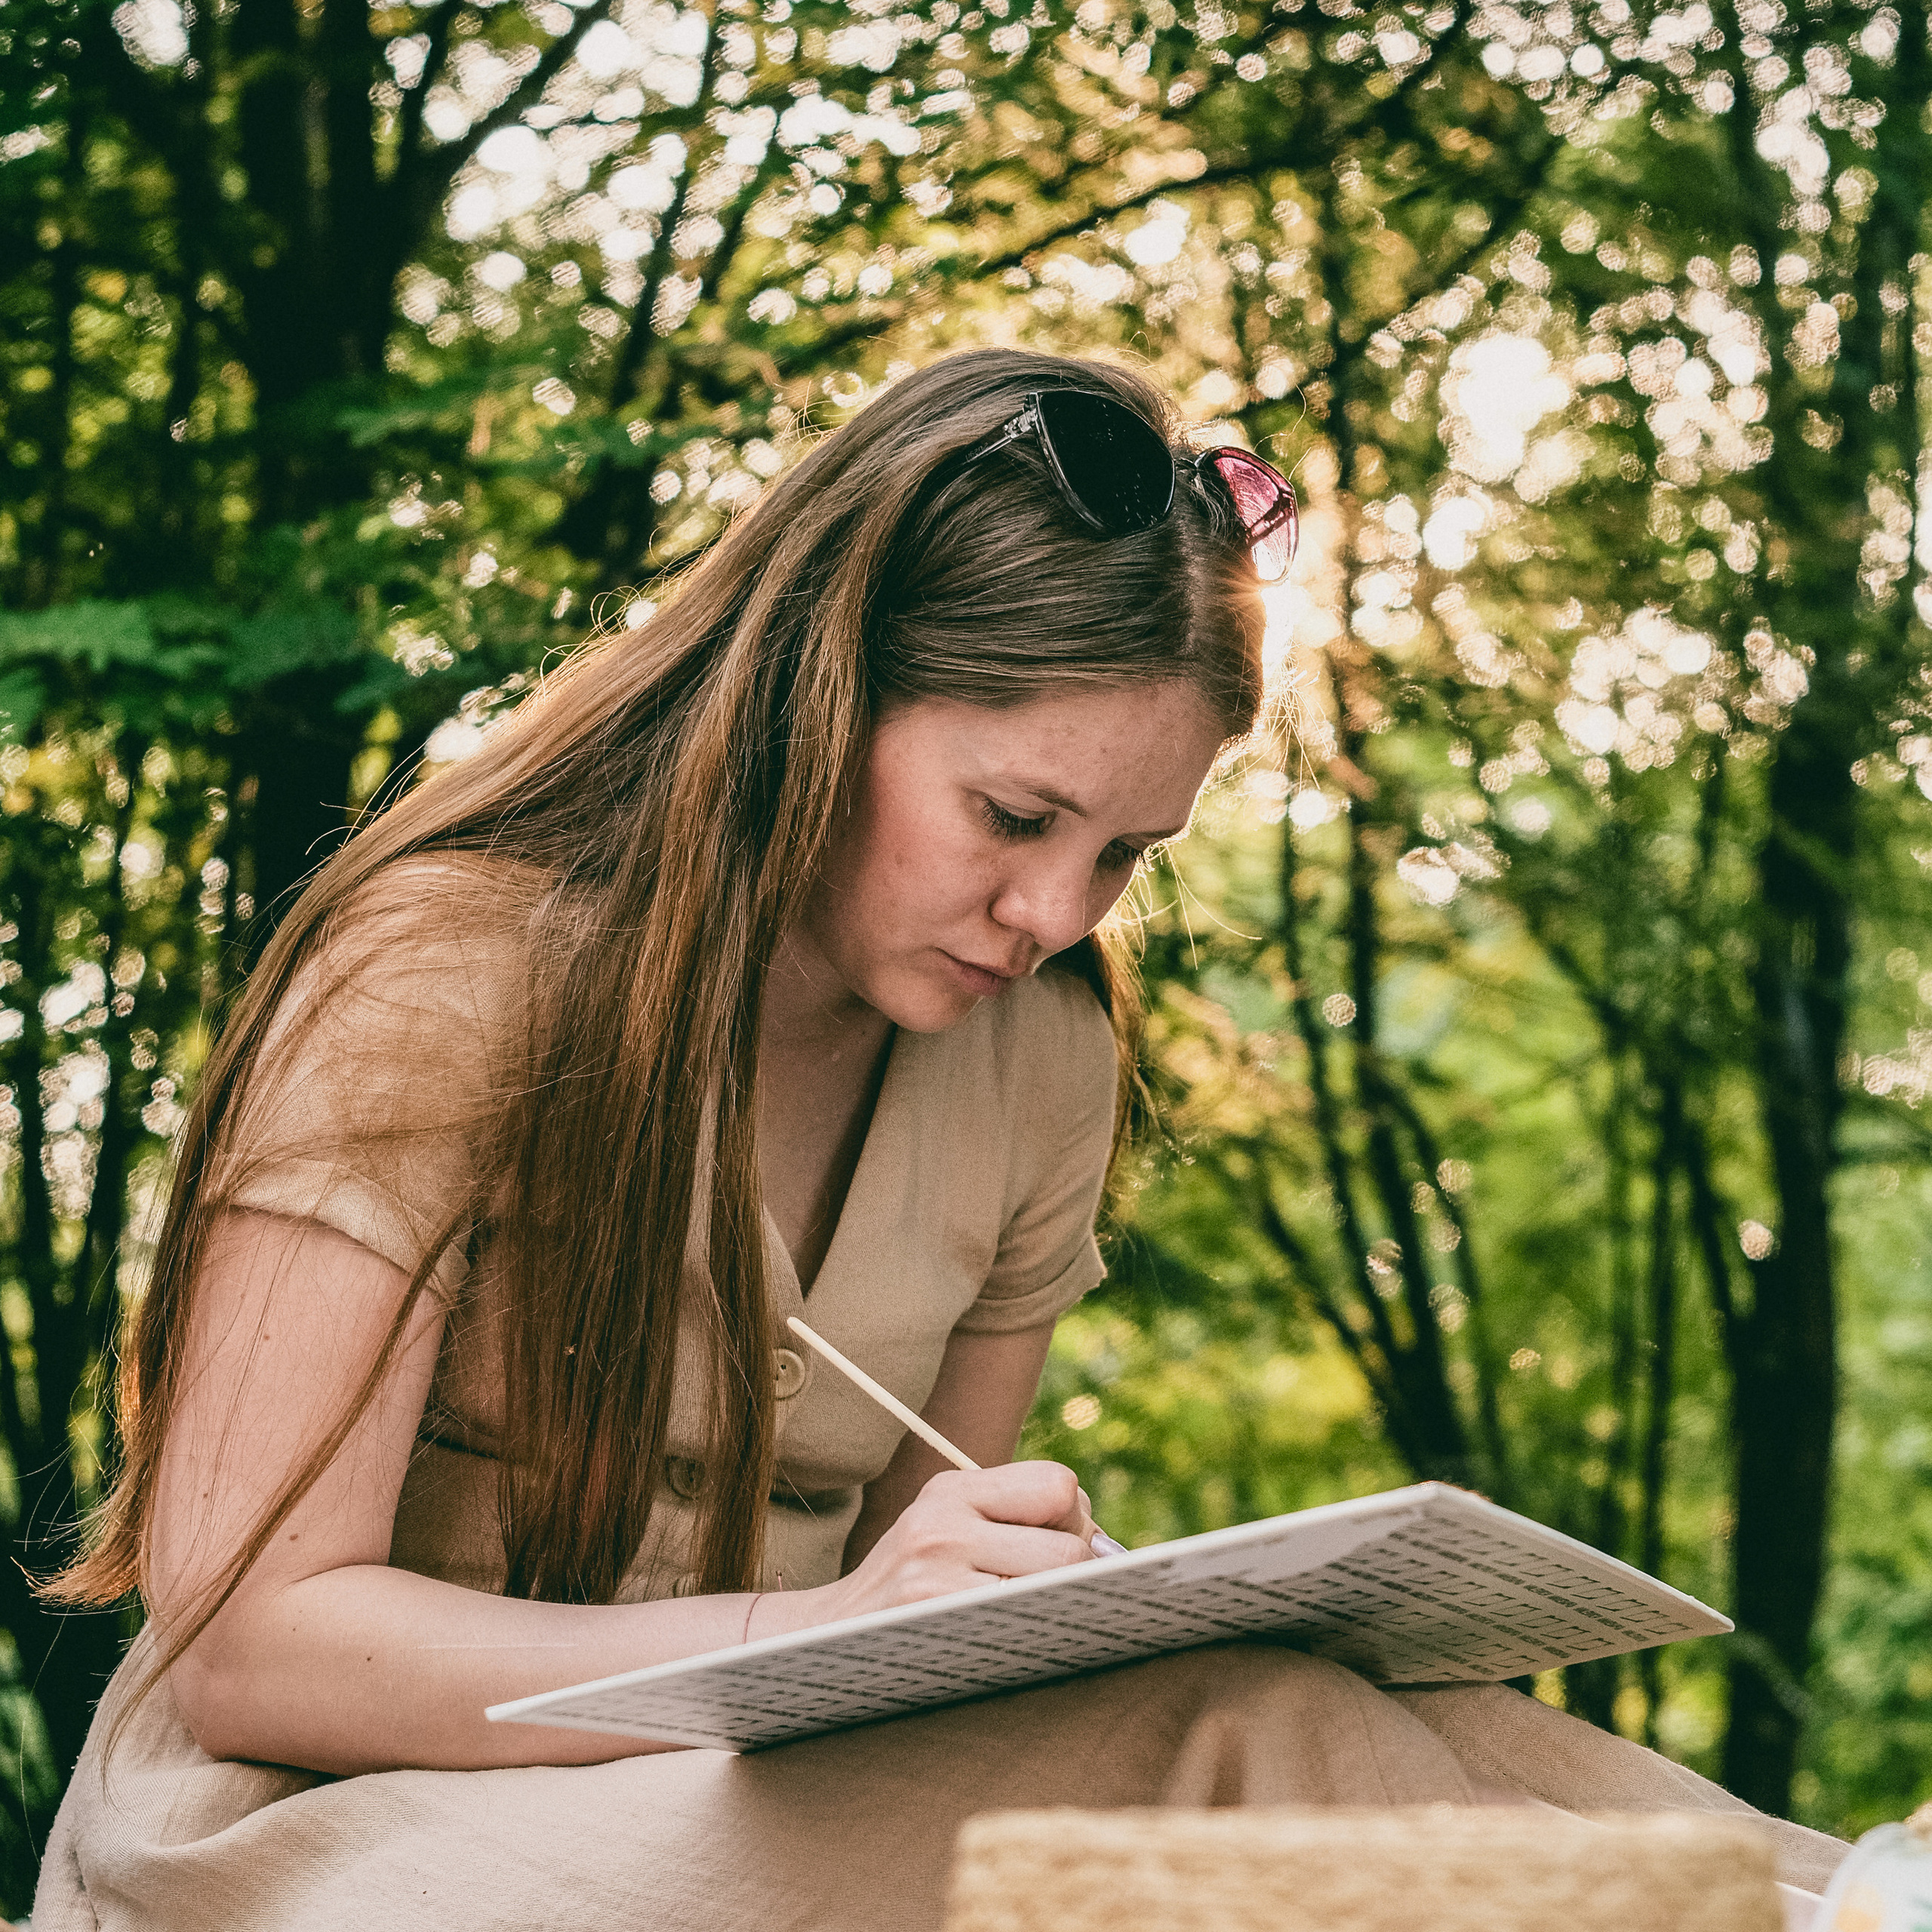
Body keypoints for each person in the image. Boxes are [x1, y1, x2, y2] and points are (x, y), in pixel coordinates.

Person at [35, 350, 1841, 1930]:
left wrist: (1011, 1600)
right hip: (316, 1834)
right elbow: (253, 1643)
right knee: (1218, 1731)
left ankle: (1841, 1897)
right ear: (821, 691)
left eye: (1124, 852)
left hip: (736, 1803)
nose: (1053, 910)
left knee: (1345, 1696)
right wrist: (808, 1628)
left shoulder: (1035, 1060)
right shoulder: (441, 974)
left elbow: (919, 1640)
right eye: (1013, 813)